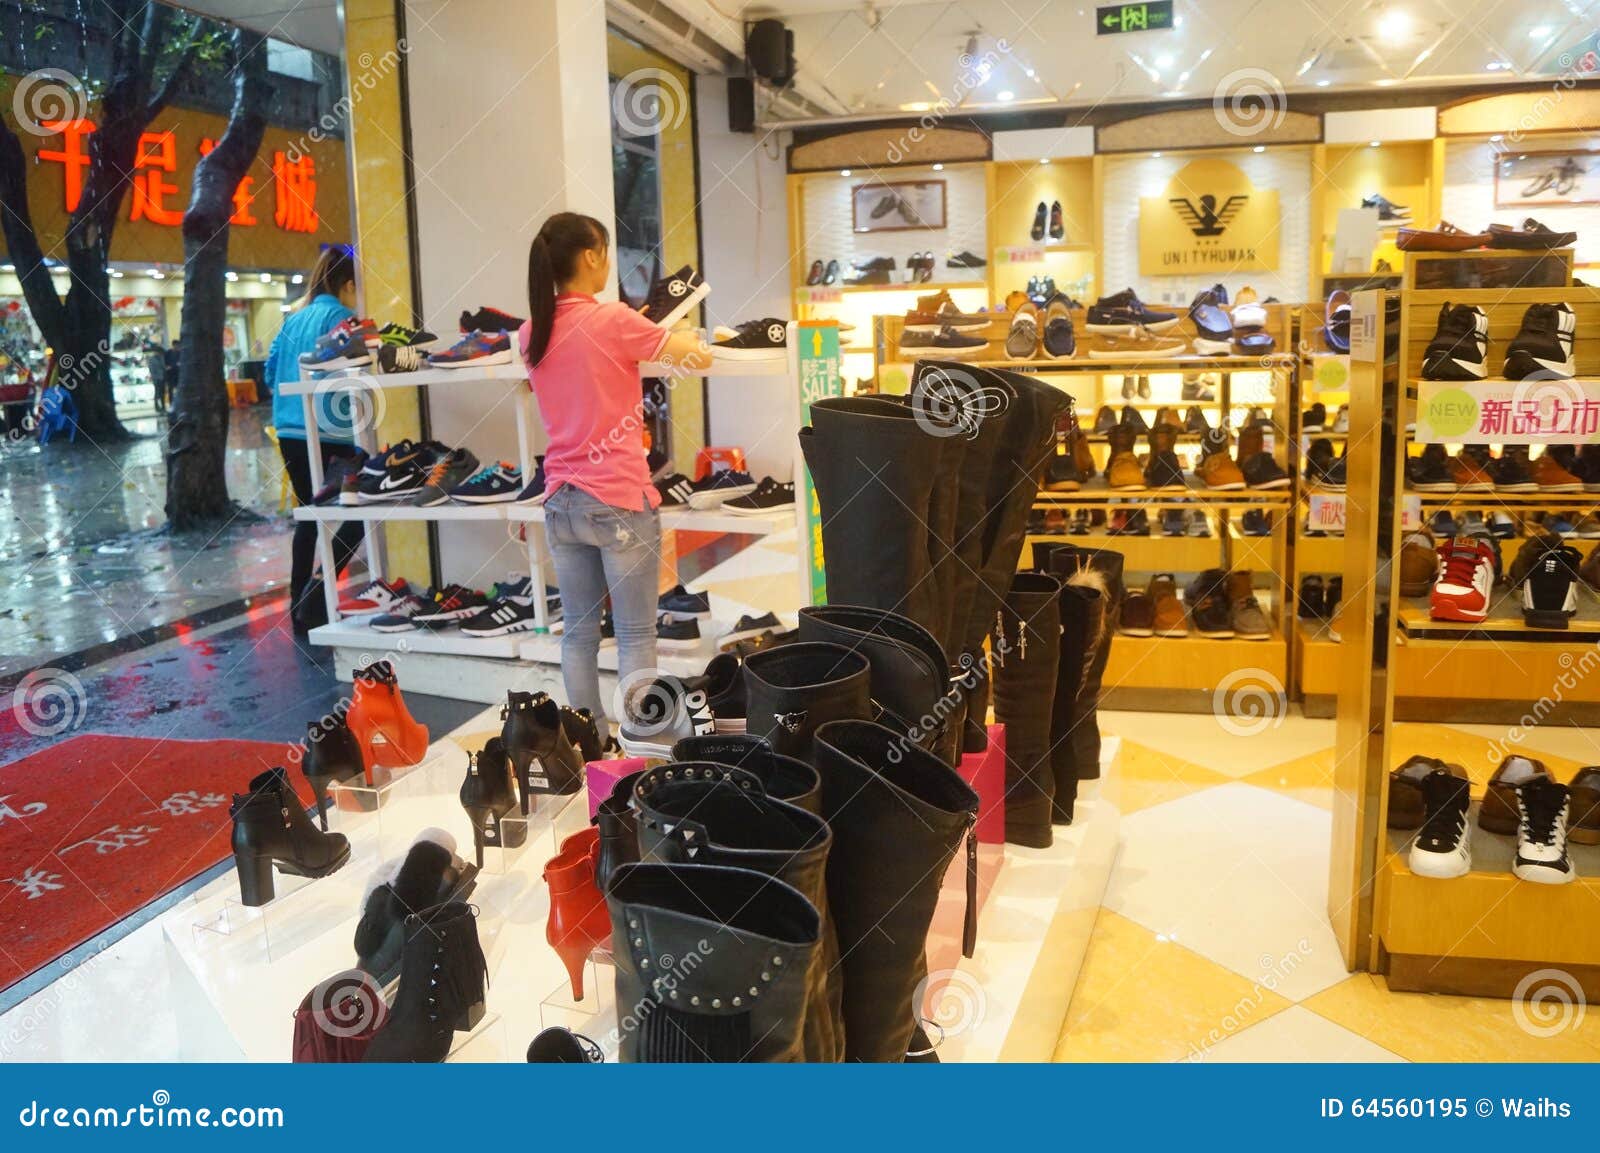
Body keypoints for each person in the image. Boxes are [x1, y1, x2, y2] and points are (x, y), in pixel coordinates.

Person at [522, 213, 709, 728]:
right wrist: (668, 331)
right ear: (590, 257)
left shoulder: (529, 332)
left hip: (560, 500)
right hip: (620, 499)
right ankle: (640, 741)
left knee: (579, 634)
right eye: (605, 250)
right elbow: (698, 357)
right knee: (634, 634)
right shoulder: (614, 320)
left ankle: (586, 741)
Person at [264, 247, 366, 633]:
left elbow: (271, 373)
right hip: (331, 432)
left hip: (289, 429)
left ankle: (298, 606)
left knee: (308, 513)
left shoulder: (293, 319)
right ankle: (317, 591)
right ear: (348, 284)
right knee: (364, 508)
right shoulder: (343, 317)